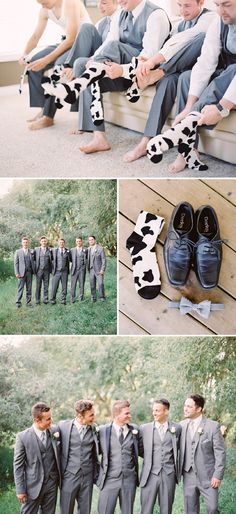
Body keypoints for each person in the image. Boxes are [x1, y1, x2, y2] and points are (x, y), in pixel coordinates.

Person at [44, 0, 171, 153]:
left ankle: (74, 87)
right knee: (80, 63)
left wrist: (110, 66)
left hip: (142, 74)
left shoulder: (156, 15)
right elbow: (110, 40)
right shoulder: (122, 13)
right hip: (119, 71)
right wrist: (92, 61)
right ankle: (99, 137)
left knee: (113, 47)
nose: (119, 1)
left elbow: (148, 57)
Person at [123, 0, 216, 163]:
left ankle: (185, 149)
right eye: (179, 5)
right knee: (167, 81)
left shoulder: (210, 18)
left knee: (195, 44)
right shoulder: (180, 24)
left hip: (201, 71)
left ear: (201, 2)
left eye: (187, 6)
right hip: (180, 68)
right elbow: (170, 46)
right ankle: (146, 140)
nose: (182, 11)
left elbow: (188, 38)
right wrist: (147, 59)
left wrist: (154, 62)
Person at [147, 0, 236, 171]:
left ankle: (183, 128)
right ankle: (188, 149)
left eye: (226, 4)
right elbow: (206, 62)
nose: (220, 11)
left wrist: (221, 108)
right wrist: (189, 106)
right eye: (217, 4)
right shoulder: (219, 21)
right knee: (187, 77)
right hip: (225, 76)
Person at [18, 0, 91, 130]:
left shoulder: (70, 3)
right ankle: (43, 109)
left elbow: (72, 39)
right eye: (40, 3)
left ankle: (48, 117)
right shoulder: (44, 10)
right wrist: (24, 54)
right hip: (67, 42)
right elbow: (35, 36)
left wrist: (46, 60)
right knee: (33, 64)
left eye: (44, 2)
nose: (42, 5)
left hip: (83, 43)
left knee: (58, 66)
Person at [180, 394, 226, 514]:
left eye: (189, 406)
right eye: (185, 406)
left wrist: (218, 475)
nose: (185, 409)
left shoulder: (213, 426)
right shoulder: (181, 426)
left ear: (199, 409)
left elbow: (220, 452)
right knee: (190, 511)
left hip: (209, 477)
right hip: (188, 475)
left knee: (212, 509)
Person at [14, 402, 61, 514]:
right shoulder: (22, 437)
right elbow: (18, 466)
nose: (51, 421)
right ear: (37, 420)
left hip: (51, 484)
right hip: (32, 486)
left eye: (51, 417)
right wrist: (20, 490)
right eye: (48, 419)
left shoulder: (55, 431)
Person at [97, 400, 141, 514]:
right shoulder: (103, 431)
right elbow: (92, 454)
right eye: (126, 413)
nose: (129, 416)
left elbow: (142, 451)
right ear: (117, 415)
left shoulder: (135, 430)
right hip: (109, 480)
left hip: (129, 480)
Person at [139, 399, 181, 514]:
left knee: (166, 509)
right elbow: (140, 449)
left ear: (166, 411)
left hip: (168, 474)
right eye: (153, 410)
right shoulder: (144, 428)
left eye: (157, 410)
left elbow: (179, 448)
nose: (154, 413)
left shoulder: (177, 428)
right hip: (149, 475)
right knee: (146, 509)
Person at [58, 400, 99, 514]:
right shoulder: (63, 426)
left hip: (87, 476)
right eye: (91, 415)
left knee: (85, 511)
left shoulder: (95, 429)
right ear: (80, 416)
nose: (94, 417)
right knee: (66, 510)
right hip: (69, 476)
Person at [14, 237, 35, 308]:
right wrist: (17, 273)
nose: (25, 243)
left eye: (26, 242)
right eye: (24, 242)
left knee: (29, 288)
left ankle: (28, 302)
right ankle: (18, 302)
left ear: (28, 243)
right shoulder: (18, 251)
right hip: (21, 273)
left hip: (29, 273)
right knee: (20, 288)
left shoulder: (31, 251)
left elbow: (34, 261)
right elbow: (16, 263)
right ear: (22, 243)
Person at [51, 238, 70, 305]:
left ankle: (63, 299)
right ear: (58, 243)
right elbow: (50, 259)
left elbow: (70, 260)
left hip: (64, 271)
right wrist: (52, 269)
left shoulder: (67, 251)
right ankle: (53, 299)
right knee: (54, 286)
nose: (61, 243)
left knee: (64, 286)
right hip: (56, 271)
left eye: (62, 242)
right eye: (60, 242)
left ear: (64, 243)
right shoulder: (54, 251)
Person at [34, 236, 53, 305]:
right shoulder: (36, 249)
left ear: (46, 242)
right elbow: (33, 260)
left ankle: (45, 299)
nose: (44, 242)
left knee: (46, 285)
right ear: (40, 242)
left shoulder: (50, 250)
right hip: (39, 270)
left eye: (45, 241)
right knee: (38, 286)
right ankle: (37, 300)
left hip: (47, 271)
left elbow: (52, 260)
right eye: (42, 241)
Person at [87, 236, 106, 302]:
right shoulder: (88, 249)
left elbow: (103, 259)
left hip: (99, 269)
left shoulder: (100, 248)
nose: (91, 241)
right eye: (89, 240)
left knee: (100, 284)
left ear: (95, 240)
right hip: (91, 269)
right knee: (92, 284)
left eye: (92, 240)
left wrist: (102, 269)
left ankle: (102, 297)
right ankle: (93, 297)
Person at [70, 236, 87, 302]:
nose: (78, 242)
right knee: (73, 285)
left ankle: (81, 298)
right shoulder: (72, 250)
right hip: (74, 269)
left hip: (82, 270)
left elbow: (87, 259)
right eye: (77, 241)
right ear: (75, 242)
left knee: (81, 284)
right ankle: (72, 298)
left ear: (82, 242)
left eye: (79, 241)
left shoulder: (85, 250)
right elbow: (70, 259)